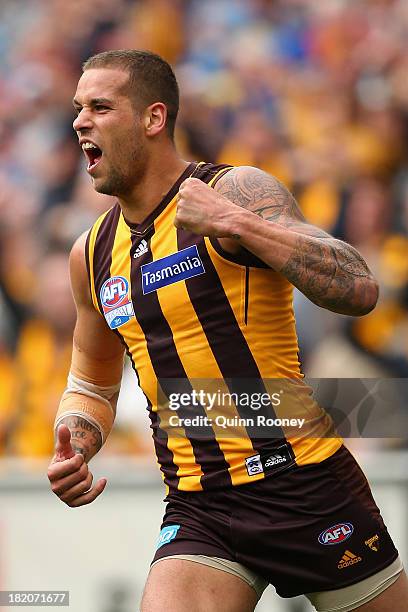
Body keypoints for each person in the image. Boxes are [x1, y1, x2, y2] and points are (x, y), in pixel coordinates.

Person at [47, 50, 407, 612]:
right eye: (77, 108)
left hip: (304, 483)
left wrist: (235, 223)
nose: (79, 121)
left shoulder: (234, 190)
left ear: (153, 118)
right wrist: (77, 440)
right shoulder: (90, 254)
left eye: (99, 106)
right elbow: (91, 385)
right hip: (200, 503)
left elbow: (358, 287)